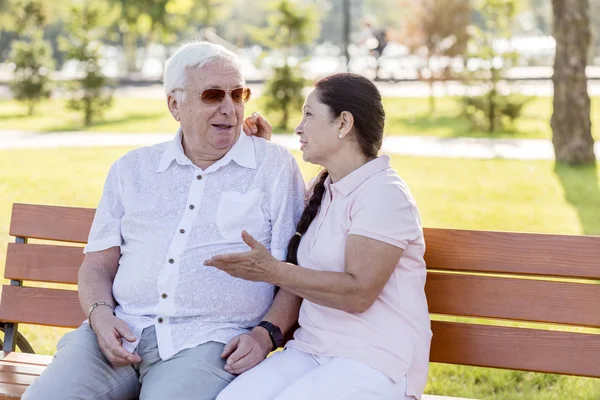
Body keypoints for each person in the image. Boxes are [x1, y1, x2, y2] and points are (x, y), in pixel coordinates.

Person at [22, 42, 306, 400]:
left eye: (238, 94)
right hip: (119, 332)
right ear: (175, 104)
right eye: (213, 95)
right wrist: (100, 317)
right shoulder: (132, 169)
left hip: (210, 341)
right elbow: (96, 265)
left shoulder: (273, 168)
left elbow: (296, 271)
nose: (229, 109)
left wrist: (265, 334)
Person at [207, 73, 432, 400]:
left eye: (309, 115)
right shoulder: (324, 189)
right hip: (312, 349)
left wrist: (272, 271)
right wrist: (261, 153)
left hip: (376, 359)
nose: (299, 128)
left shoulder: (383, 194)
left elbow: (358, 294)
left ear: (343, 123)